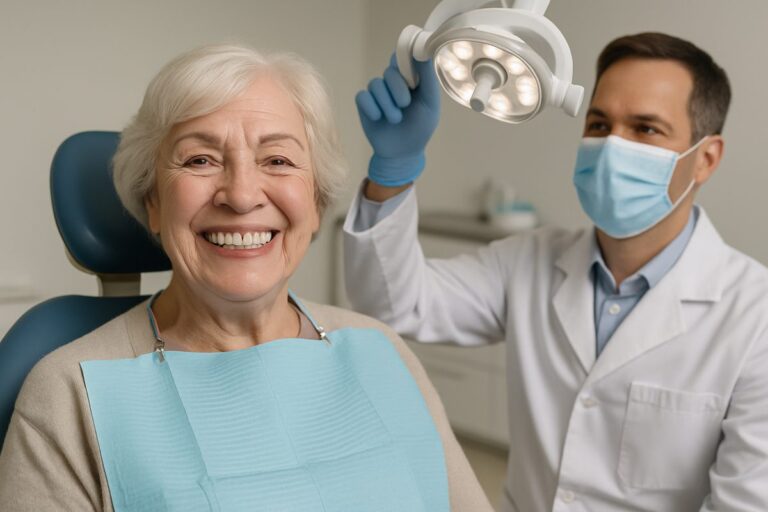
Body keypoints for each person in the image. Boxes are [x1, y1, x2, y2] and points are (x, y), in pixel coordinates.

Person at [0, 44, 493, 512]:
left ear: (316, 202)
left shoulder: (382, 351)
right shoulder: (67, 394)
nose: (240, 195)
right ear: (153, 201)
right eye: (200, 160)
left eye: (277, 160)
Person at [344, 32, 768, 511]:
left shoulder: (756, 318)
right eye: (599, 124)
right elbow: (393, 305)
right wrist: (393, 172)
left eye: (646, 129)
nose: (612, 147)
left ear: (706, 159)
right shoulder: (529, 259)